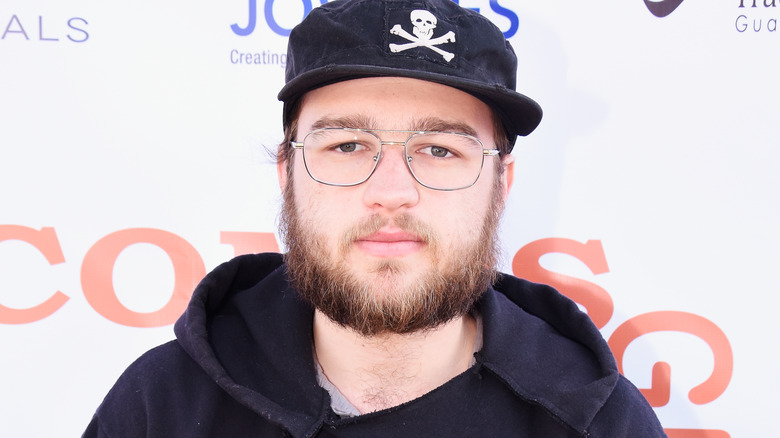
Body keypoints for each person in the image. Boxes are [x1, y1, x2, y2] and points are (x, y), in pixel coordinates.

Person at [84, 0, 667, 436]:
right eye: (347, 146)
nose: (392, 192)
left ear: (501, 185)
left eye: (440, 150)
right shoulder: (163, 406)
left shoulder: (600, 424)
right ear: (287, 175)